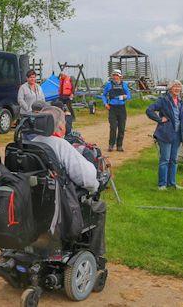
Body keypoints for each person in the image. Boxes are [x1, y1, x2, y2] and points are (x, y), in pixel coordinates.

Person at [29, 105, 105, 256]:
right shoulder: (60, 145)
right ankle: (96, 255)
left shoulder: (30, 144)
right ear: (60, 126)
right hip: (59, 207)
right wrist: (97, 185)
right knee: (99, 207)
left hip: (31, 204)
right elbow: (88, 179)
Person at [146, 80, 183, 190]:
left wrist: (180, 117)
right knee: (165, 159)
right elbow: (149, 110)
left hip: (178, 134)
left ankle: (172, 183)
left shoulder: (180, 101)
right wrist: (160, 119)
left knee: (174, 160)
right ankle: (162, 184)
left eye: (179, 87)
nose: (177, 89)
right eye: (175, 87)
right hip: (165, 133)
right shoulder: (163, 100)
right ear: (170, 88)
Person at [102, 70, 131, 152]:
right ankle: (111, 145)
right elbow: (104, 95)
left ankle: (119, 145)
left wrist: (126, 96)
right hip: (112, 108)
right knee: (113, 127)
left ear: (120, 76)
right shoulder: (109, 85)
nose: (115, 77)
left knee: (121, 128)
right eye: (114, 75)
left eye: (116, 75)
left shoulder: (124, 85)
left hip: (121, 108)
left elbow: (129, 96)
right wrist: (105, 104)